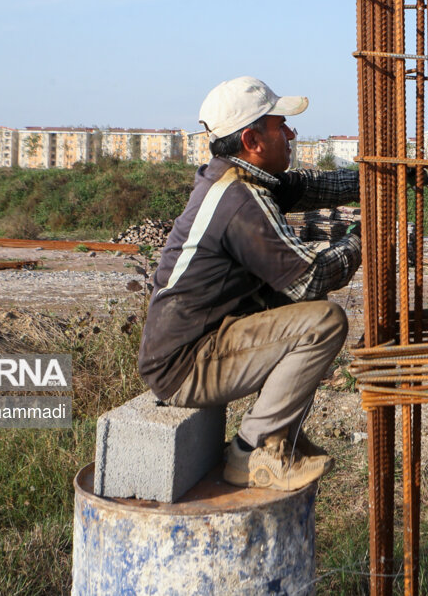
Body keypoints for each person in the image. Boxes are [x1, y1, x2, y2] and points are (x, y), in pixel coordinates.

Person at [137, 76, 362, 491]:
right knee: (322, 321)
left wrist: (378, 179)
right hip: (186, 366)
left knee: (287, 303)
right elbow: (310, 280)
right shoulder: (240, 200)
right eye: (281, 126)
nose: (292, 133)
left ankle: (279, 438)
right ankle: (252, 449)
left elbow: (312, 186)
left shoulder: (239, 178)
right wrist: (362, 240)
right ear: (252, 140)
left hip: (203, 343)